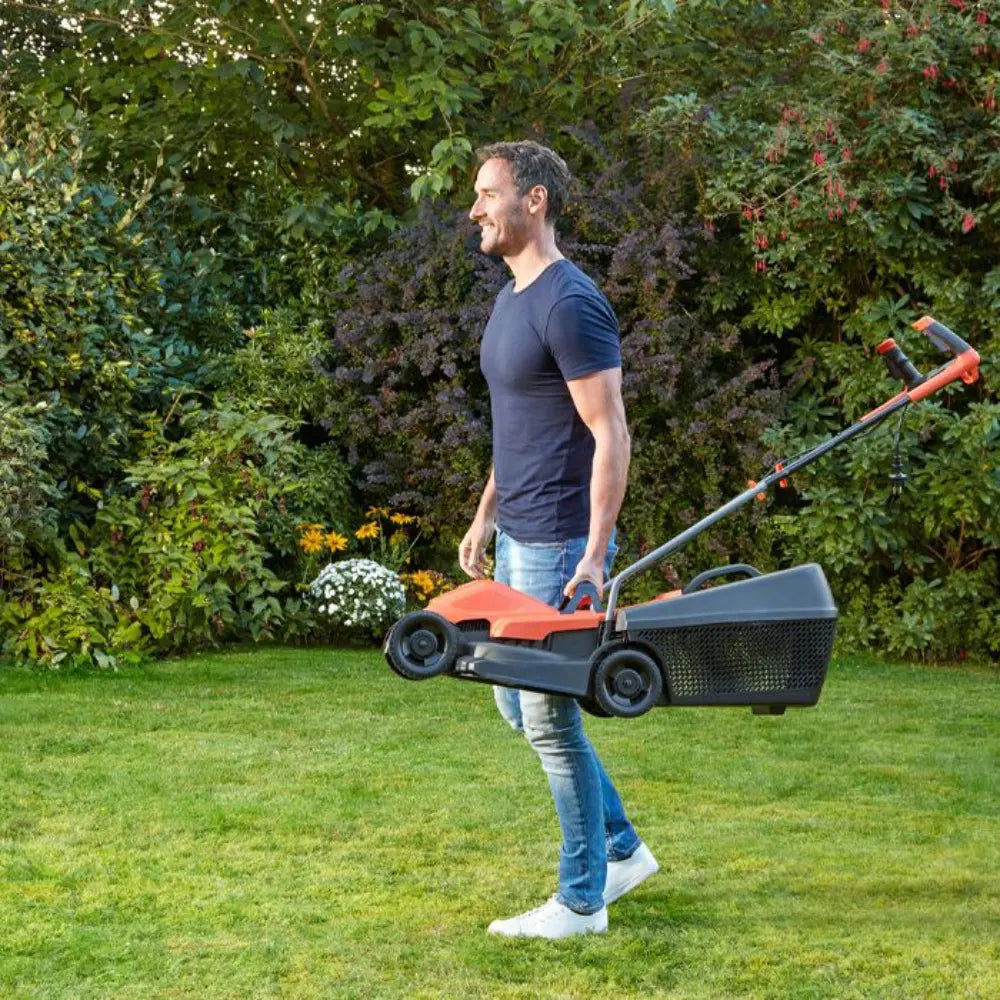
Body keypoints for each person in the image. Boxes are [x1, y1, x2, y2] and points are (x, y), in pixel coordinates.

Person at [460, 140, 658, 939]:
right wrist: (485, 514)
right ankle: (621, 847)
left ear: (533, 201)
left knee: (547, 717)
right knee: (517, 709)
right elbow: (521, 426)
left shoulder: (570, 302)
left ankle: (582, 901)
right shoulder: (513, 297)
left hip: (558, 544)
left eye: (486, 194)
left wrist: (592, 553)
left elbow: (609, 432)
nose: (474, 209)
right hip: (517, 535)